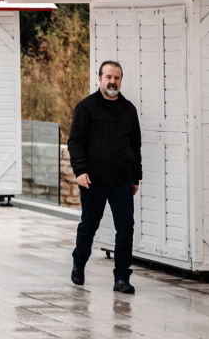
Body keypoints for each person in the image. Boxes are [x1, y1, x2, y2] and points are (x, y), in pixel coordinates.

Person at [68, 60, 142, 293]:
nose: (112, 81)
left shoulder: (129, 110)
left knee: (126, 228)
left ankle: (121, 278)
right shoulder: (87, 107)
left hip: (122, 180)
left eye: (117, 77)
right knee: (89, 226)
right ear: (99, 79)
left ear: (121, 80)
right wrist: (80, 171)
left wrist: (136, 178)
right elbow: (75, 142)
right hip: (93, 180)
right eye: (108, 77)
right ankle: (79, 263)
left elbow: (135, 145)